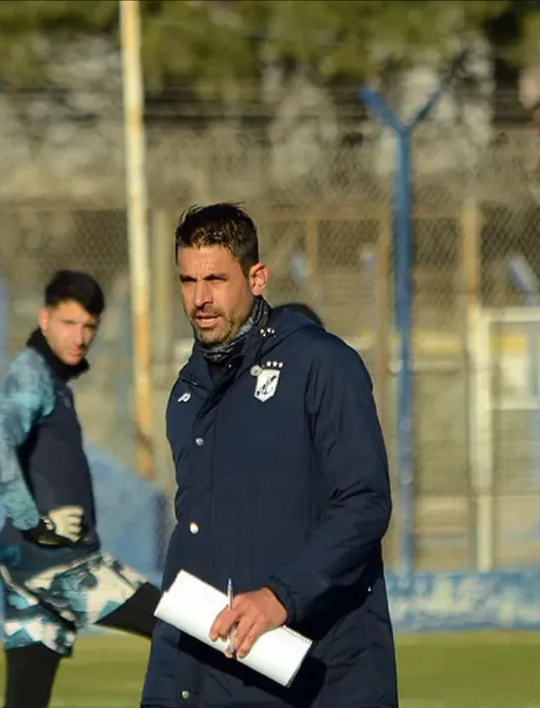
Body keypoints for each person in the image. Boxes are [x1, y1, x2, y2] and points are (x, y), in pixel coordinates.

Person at [142, 203, 397, 708]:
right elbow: (195, 538)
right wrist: (168, 684)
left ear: (257, 278)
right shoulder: (188, 390)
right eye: (188, 281)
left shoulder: (321, 364)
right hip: (219, 671)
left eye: (216, 279)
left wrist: (282, 595)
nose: (200, 298)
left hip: (325, 674)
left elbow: (365, 502)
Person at [0, 270, 162, 708]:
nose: (80, 337)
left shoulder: (51, 379)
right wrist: (37, 523)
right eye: (68, 323)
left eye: (89, 326)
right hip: (57, 563)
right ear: (44, 319)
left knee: (26, 699)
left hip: (30, 566)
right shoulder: (30, 374)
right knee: (175, 628)